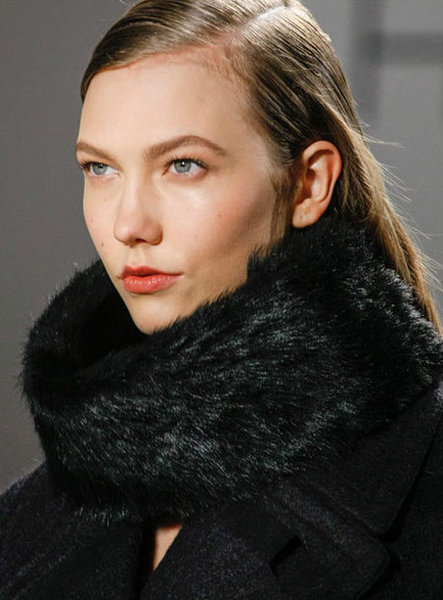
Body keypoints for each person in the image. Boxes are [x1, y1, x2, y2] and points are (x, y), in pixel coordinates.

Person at [1, 0, 442, 598]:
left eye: (183, 165)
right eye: (100, 169)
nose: (128, 224)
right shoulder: (28, 523)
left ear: (308, 183)